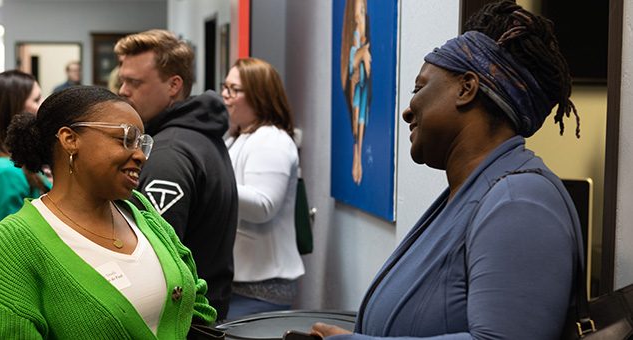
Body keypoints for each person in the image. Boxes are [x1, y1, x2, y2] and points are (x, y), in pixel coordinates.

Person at [312, 1, 583, 339]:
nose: (408, 111)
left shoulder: (520, 202)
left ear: (466, 89)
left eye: (419, 88)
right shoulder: (472, 192)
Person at [0, 86, 216, 338]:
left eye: (142, 143)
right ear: (69, 139)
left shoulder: (139, 209)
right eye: (126, 138)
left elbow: (196, 303)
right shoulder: (10, 247)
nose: (140, 155)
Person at [115, 29, 238, 321]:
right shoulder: (199, 137)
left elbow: (153, 261)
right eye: (122, 80)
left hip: (182, 321)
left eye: (134, 82)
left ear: (173, 85)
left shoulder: (169, 154)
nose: (122, 91)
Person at [222, 58, 305, 319]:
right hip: (241, 283)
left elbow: (263, 206)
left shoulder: (272, 140)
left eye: (234, 90)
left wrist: (212, 184)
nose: (225, 96)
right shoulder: (239, 136)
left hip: (260, 288)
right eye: (225, 87)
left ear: (260, 96)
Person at [0, 70, 49, 234]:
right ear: (13, 110)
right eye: (36, 99)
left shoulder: (11, 162)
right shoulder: (4, 172)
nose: (43, 104)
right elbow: (16, 242)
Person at [340, 0, 372, 185]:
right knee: (357, 113)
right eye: (359, 11)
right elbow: (353, 66)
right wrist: (361, 56)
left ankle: (358, 156)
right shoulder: (354, 39)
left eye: (363, 10)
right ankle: (357, 156)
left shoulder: (364, 38)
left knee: (361, 116)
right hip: (356, 90)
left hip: (362, 90)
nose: (361, 15)